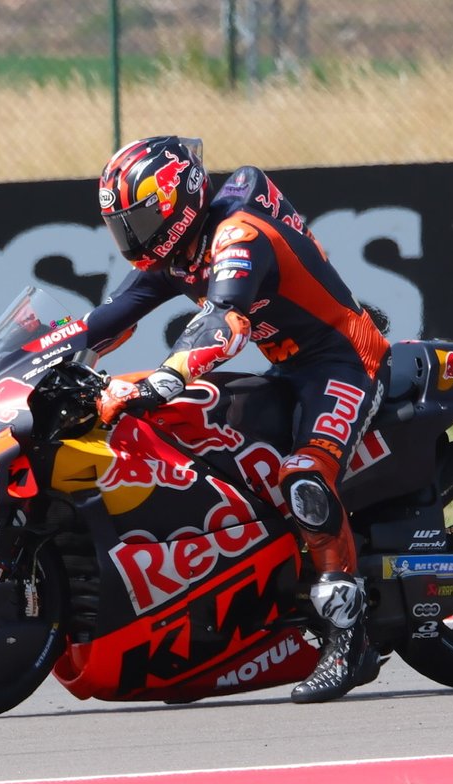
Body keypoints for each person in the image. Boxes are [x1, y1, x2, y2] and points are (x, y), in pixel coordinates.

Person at [86, 135, 391, 704]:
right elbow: (109, 319)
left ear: (182, 197)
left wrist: (168, 374)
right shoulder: (175, 252)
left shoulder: (237, 235)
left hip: (344, 360)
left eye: (145, 217)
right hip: (288, 369)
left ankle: (350, 640)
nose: (135, 234)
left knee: (304, 477)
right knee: (207, 443)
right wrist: (48, 360)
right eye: (124, 224)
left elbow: (225, 321)